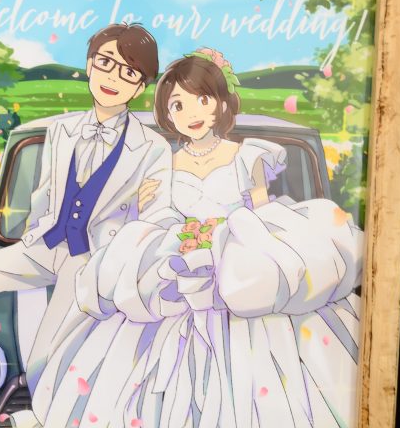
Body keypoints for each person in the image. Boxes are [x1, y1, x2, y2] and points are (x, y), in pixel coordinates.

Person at [35, 49, 363, 427]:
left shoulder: (248, 156)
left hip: (238, 274)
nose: (191, 113)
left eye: (202, 100)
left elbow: (262, 216)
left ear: (220, 103)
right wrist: (158, 221)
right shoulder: (163, 162)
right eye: (178, 105)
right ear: (168, 113)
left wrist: (232, 239)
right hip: (179, 276)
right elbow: (158, 218)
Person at [0, 23, 179, 428]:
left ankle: (41, 416)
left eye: (128, 71)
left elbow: (157, 219)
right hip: (44, 245)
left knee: (47, 348)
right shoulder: (60, 130)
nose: (113, 77)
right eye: (106, 62)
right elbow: (46, 194)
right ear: (90, 65)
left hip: (93, 259)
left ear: (140, 86)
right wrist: (35, 232)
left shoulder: (153, 147)